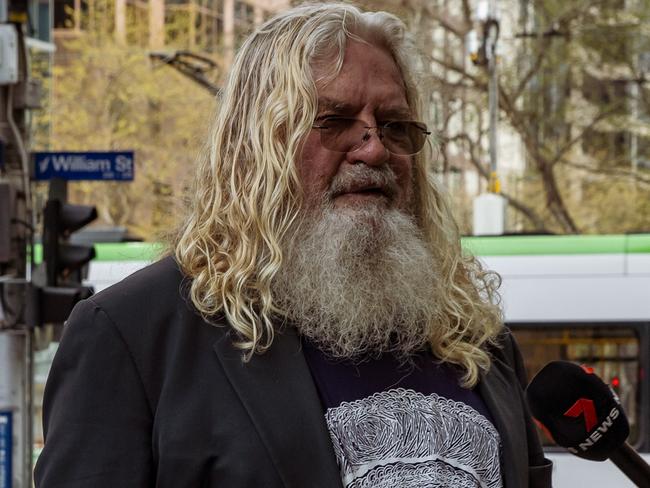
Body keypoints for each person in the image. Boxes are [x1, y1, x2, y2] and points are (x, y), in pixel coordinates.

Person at [34, 3, 552, 487]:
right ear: (256, 146)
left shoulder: (476, 340)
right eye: (333, 121)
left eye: (394, 126)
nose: (373, 147)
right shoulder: (133, 336)